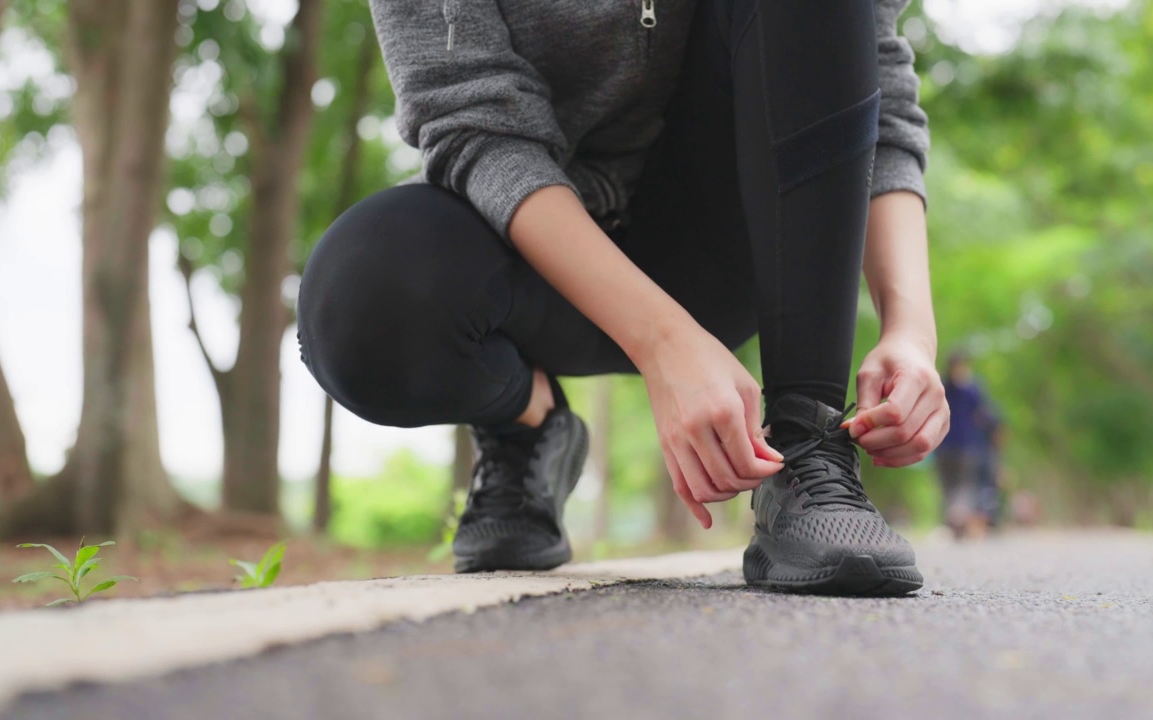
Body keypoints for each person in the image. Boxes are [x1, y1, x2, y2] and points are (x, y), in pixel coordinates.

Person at [298, 0, 947, 596]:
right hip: (532, 254)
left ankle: (808, 440)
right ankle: (528, 422)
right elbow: (472, 125)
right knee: (359, 304)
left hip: (735, 244)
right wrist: (660, 339)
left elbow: (870, 88)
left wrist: (910, 331)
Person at [935, 352, 998, 537]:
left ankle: (955, 521)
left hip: (950, 444)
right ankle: (957, 520)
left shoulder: (941, 387)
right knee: (959, 485)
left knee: (956, 485)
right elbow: (984, 415)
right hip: (957, 444)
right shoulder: (971, 389)